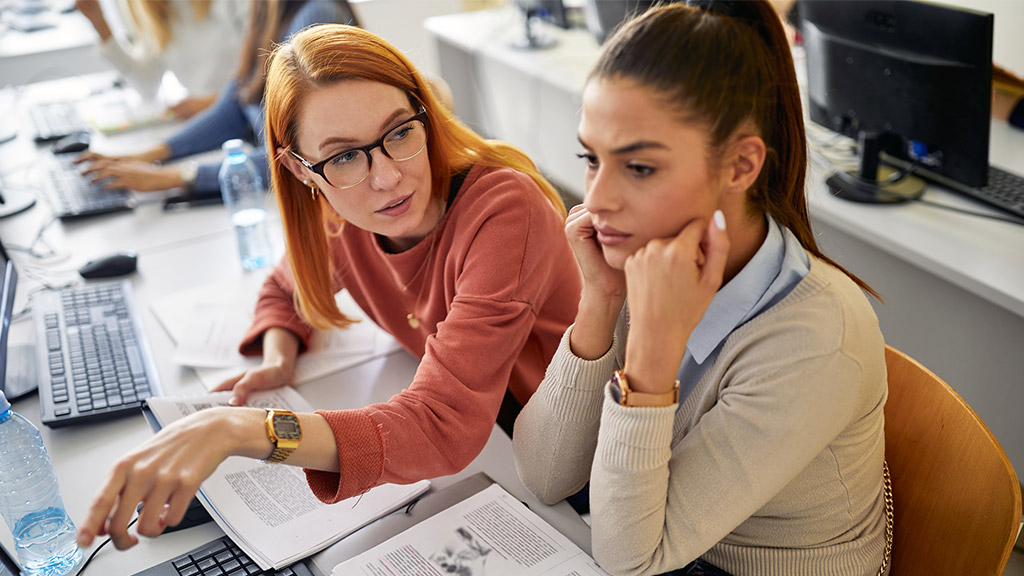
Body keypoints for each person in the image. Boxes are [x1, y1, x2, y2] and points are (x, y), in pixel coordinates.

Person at [75, 24, 581, 551]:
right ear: (302, 171)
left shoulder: (504, 210)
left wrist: (242, 429)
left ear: (423, 112)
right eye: (343, 157)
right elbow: (284, 288)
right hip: (489, 444)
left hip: (556, 455)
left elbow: (441, 423)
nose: (386, 177)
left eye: (400, 132)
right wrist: (278, 355)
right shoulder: (343, 213)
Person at [513, 2, 890, 576]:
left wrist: (650, 358)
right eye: (591, 158)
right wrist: (601, 302)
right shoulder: (650, 258)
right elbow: (543, 474)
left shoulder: (813, 336)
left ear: (741, 166)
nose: (600, 198)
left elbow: (628, 557)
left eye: (639, 168)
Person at [76, 0, 360, 196]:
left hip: (309, 198)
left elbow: (297, 160)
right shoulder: (270, 9)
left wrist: (175, 177)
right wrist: (148, 155)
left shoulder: (316, 16)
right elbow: (232, 108)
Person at [75, 0, 250, 120]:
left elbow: (270, 72)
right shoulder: (161, 11)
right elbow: (147, 84)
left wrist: (215, 102)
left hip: (247, 115)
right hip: (208, 121)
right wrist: (100, 25)